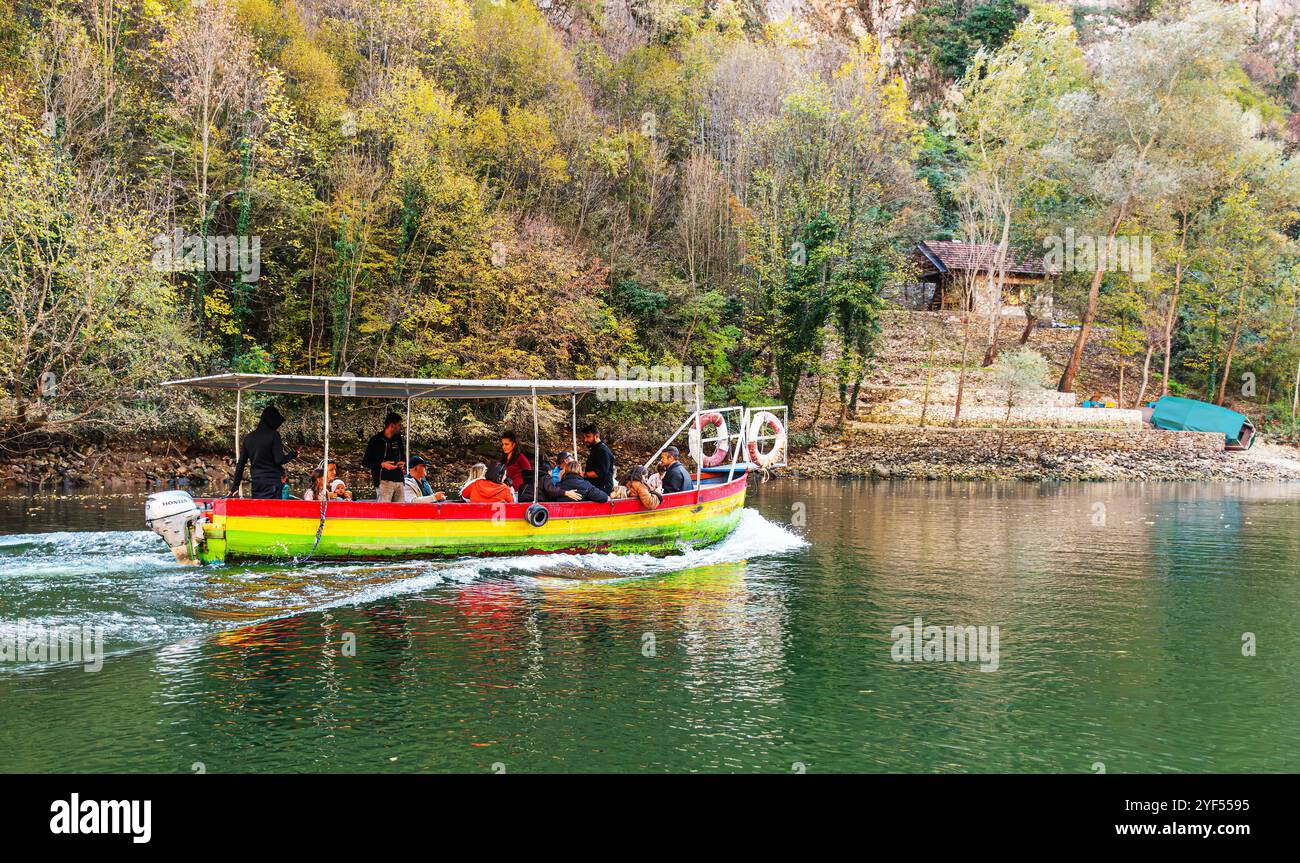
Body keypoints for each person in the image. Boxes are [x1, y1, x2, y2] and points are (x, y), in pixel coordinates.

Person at [229, 404, 298, 499]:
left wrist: (235, 486)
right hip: (272, 482)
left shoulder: (249, 438)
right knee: (273, 511)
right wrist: (292, 455)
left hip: (257, 482)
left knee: (259, 510)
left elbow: (240, 464)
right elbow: (279, 460)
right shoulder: (274, 435)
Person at [362, 412, 405, 502]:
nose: (401, 427)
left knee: (400, 511)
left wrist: (403, 462)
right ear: (392, 425)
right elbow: (365, 462)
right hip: (383, 481)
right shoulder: (376, 440)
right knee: (384, 512)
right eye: (399, 425)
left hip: (399, 480)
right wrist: (382, 465)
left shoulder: (398, 439)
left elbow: (403, 456)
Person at [580, 424, 614, 494]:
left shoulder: (602, 450)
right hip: (595, 487)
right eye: (584, 437)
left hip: (602, 488)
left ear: (596, 436)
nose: (585, 440)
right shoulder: (595, 448)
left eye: (588, 437)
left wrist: (583, 474)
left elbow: (600, 472)